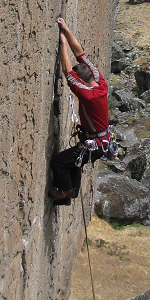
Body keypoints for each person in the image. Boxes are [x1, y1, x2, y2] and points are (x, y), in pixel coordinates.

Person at [50, 17, 117, 206]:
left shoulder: (89, 95)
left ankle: (66, 191)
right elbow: (79, 52)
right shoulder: (99, 80)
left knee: (58, 162)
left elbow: (67, 69)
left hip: (94, 144)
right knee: (74, 162)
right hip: (98, 141)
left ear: (83, 80)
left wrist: (62, 43)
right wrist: (66, 29)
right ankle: (71, 191)